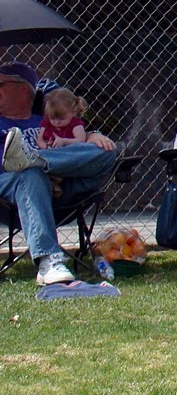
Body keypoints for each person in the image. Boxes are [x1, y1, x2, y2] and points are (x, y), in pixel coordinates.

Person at [0, 62, 118, 285]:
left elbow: (75, 143)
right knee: (30, 176)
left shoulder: (48, 120)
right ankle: (49, 261)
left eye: (1, 84)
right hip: (12, 191)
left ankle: (36, 161)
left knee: (106, 151)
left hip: (63, 186)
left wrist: (90, 135)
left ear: (24, 89)